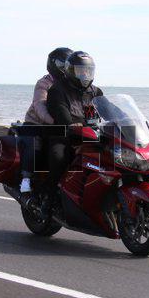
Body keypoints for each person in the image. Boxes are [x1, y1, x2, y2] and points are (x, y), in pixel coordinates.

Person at [19, 47, 73, 205]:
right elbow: (40, 106)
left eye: (68, 65)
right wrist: (54, 122)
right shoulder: (44, 83)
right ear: (54, 65)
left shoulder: (70, 84)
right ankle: (26, 180)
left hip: (60, 125)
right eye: (63, 65)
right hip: (36, 122)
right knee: (35, 144)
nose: (65, 68)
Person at [46, 51, 103, 196]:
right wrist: (71, 124)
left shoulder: (95, 92)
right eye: (80, 70)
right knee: (59, 157)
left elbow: (110, 111)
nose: (85, 74)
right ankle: (49, 196)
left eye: (88, 70)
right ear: (70, 71)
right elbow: (62, 113)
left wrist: (125, 119)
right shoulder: (57, 90)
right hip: (65, 136)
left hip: (92, 136)